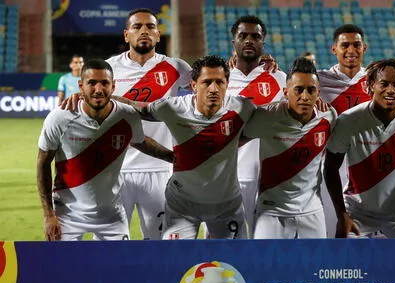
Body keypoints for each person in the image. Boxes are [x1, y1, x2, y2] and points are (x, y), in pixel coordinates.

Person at [119, 55, 256, 240]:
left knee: (231, 263)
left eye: (219, 82)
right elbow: (137, 108)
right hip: (181, 205)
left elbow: (277, 115)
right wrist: (98, 97)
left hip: (226, 205)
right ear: (193, 85)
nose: (213, 89)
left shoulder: (242, 107)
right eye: (206, 82)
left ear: (227, 84)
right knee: (175, 263)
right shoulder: (173, 108)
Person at [36, 59, 174, 241]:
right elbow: (43, 164)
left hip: (112, 216)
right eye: (92, 83)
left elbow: (140, 142)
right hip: (67, 215)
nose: (98, 89)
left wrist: (175, 157)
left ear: (113, 86)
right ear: (81, 86)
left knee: (116, 269)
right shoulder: (60, 118)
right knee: (64, 269)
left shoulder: (127, 115)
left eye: (104, 83)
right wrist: (49, 215)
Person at [106, 8, 192, 239]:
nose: (144, 31)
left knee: (160, 244)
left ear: (158, 35)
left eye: (150, 27)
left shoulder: (176, 67)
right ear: (126, 35)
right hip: (115, 169)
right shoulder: (109, 68)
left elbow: (213, 85)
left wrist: (254, 64)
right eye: (137, 27)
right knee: (108, 245)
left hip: (161, 168)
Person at [324, 59, 395, 238]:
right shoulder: (348, 121)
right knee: (347, 262)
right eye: (384, 84)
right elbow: (330, 168)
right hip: (357, 213)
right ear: (371, 85)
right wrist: (342, 215)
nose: (391, 90)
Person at [243, 58, 337, 239]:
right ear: (286, 92)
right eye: (298, 90)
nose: (305, 96)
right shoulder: (267, 116)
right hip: (271, 211)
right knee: (266, 266)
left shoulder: (328, 117)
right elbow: (234, 142)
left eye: (311, 90)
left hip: (312, 211)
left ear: (318, 93)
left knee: (315, 266)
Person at [226, 15, 287, 237]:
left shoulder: (280, 79)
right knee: (229, 246)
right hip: (230, 177)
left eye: (255, 36)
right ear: (234, 42)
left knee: (268, 249)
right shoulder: (222, 79)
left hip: (270, 179)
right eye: (243, 36)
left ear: (263, 41)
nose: (249, 40)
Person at [317, 24, 372, 237]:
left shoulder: (377, 81)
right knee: (332, 231)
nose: (351, 50)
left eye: (356, 45)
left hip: (365, 168)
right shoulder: (319, 81)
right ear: (334, 49)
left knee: (363, 237)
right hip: (330, 167)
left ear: (364, 48)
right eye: (345, 45)